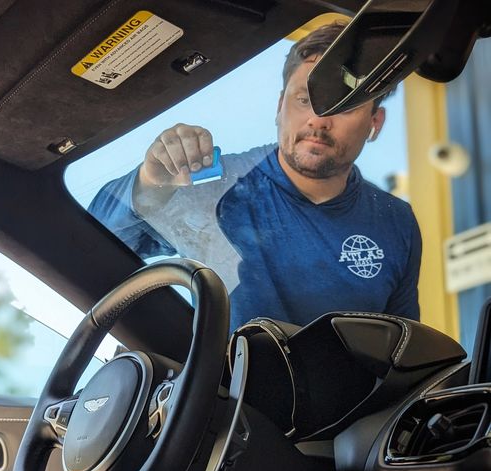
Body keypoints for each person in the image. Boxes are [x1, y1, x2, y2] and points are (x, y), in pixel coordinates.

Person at [89, 23, 422, 331]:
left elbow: (402, 349)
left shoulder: (395, 221)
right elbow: (92, 250)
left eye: (345, 105)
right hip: (227, 393)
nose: (319, 120)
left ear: (375, 123)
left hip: (352, 397)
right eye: (306, 100)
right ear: (280, 106)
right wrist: (150, 181)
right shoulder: (218, 187)